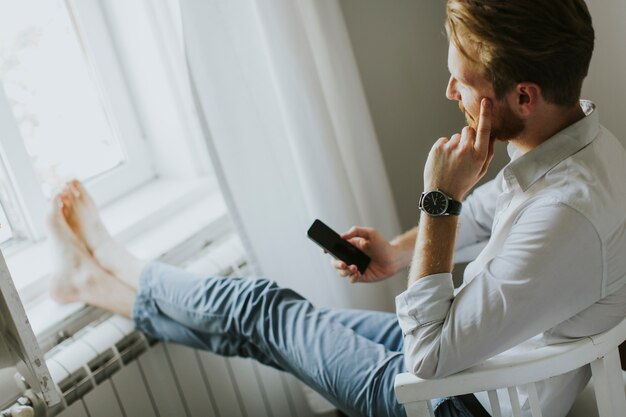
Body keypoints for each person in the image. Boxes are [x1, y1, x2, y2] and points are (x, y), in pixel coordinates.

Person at [48, 1, 626, 416]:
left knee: (259, 307)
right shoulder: (585, 144)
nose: (450, 93)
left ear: (524, 96)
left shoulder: (566, 216)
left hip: (454, 399)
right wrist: (397, 254)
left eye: (462, 81)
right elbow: (491, 213)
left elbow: (426, 357)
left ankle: (110, 261)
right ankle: (105, 285)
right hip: (469, 354)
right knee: (260, 325)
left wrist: (438, 201)